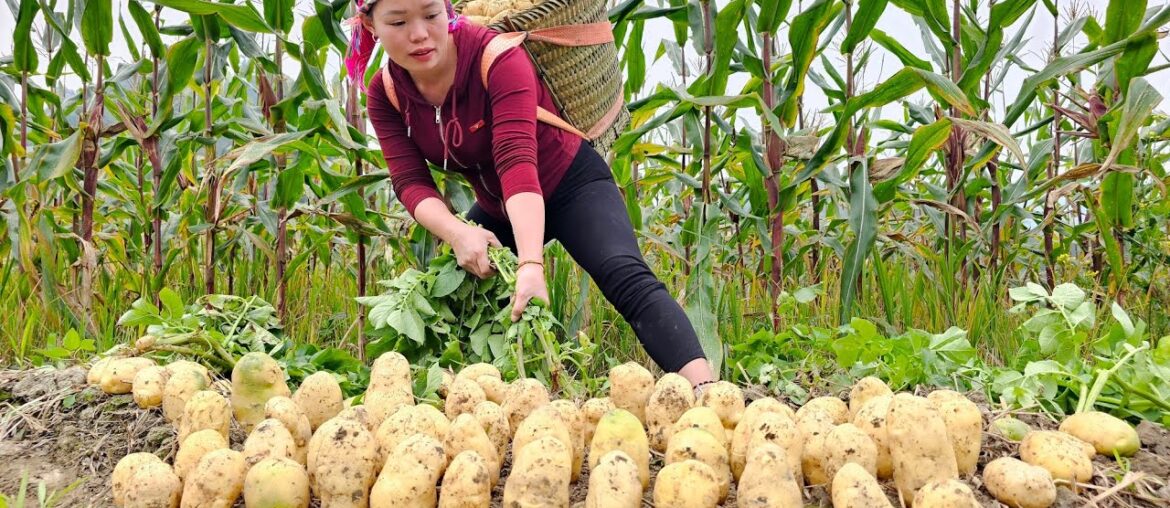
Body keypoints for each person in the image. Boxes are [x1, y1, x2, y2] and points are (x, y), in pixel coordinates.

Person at [348, 0, 716, 391]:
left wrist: (530, 265)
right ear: (370, 24)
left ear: (448, 9)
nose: (419, 34)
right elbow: (410, 181)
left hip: (570, 184)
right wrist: (459, 233)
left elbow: (516, 163)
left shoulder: (497, 58)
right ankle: (467, 397)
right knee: (452, 296)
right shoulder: (386, 93)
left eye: (431, 15)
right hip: (499, 207)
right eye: (399, 22)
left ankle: (708, 391)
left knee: (624, 275)